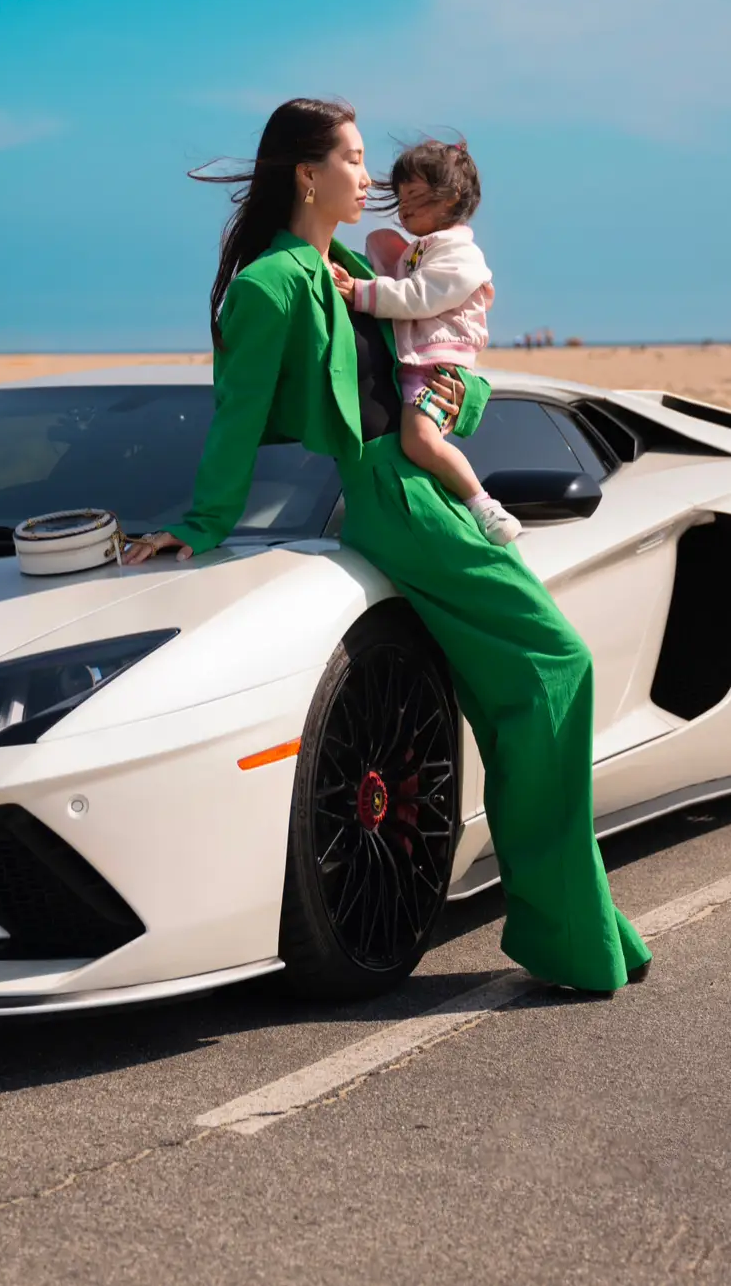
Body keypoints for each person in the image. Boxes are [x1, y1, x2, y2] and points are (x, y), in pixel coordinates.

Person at [124, 97, 651, 995]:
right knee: (555, 668)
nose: (369, 179)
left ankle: (584, 924)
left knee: (534, 683)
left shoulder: (344, 264)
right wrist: (202, 523)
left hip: (417, 489)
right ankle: (568, 928)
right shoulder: (273, 283)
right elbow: (238, 414)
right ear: (307, 173)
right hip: (389, 496)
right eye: (356, 159)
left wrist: (457, 390)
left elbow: (434, 360)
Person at [328, 138, 520, 546]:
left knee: (419, 440)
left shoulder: (459, 254)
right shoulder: (421, 251)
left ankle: (481, 502)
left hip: (438, 367)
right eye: (400, 198)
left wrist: (360, 291)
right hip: (419, 362)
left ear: (451, 198)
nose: (405, 208)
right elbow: (397, 275)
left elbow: (418, 296)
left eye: (414, 196)